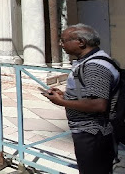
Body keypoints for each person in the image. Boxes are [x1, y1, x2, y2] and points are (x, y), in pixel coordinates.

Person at [44, 24, 119, 174]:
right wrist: (66, 95)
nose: (61, 44)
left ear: (81, 42)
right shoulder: (89, 62)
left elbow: (99, 104)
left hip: (93, 134)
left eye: (64, 40)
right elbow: (88, 96)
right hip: (88, 132)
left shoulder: (95, 66)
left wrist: (61, 102)